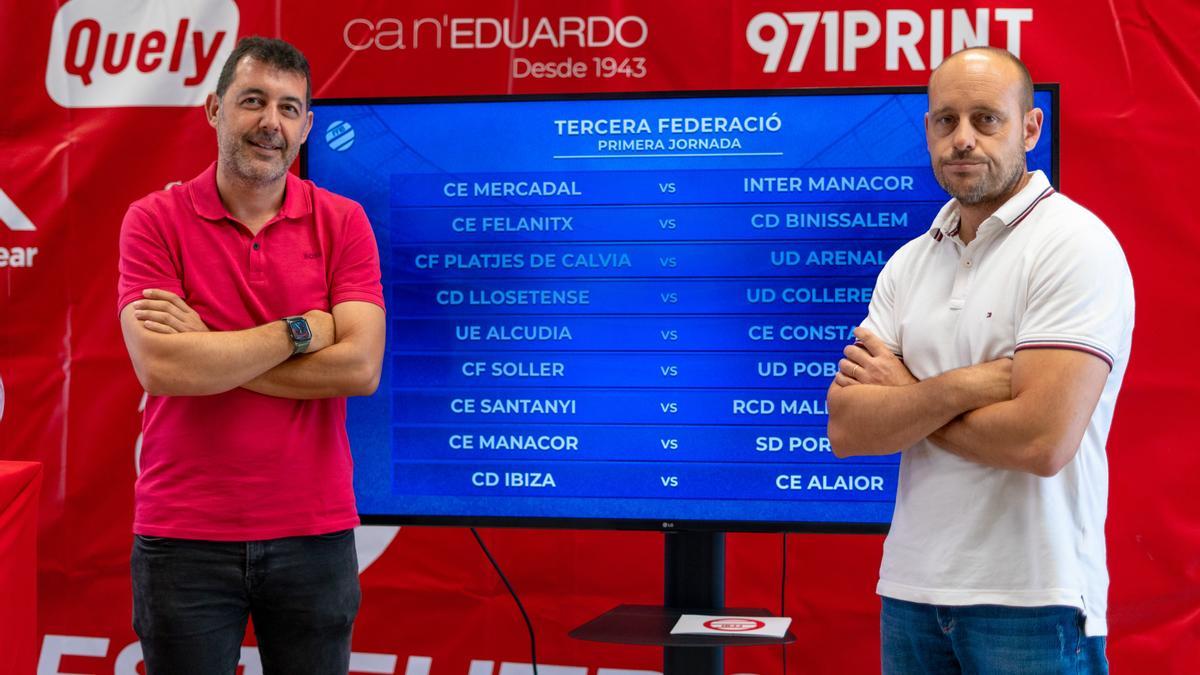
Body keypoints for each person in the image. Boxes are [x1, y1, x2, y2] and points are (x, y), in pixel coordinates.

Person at [827, 46, 1133, 673]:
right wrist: (969, 385)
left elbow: (1040, 442)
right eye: (946, 120)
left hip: (1033, 599)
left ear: (1029, 127)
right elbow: (849, 429)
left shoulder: (1074, 246)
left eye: (986, 120)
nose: (962, 139)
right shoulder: (910, 262)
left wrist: (907, 395)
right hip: (911, 591)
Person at [117, 36, 385, 675]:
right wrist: (299, 330)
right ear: (214, 110)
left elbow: (359, 369)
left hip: (313, 533)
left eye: (289, 108)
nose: (271, 122)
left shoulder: (344, 222)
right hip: (183, 536)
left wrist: (212, 348)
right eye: (253, 101)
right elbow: (164, 368)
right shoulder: (152, 220)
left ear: (307, 126)